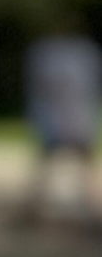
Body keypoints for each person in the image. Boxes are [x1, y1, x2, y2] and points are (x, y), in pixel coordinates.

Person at [21, 33, 101, 225]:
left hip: (69, 122)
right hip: (70, 122)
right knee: (72, 169)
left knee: (79, 170)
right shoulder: (82, 55)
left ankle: (31, 212)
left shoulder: (52, 56)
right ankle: (31, 212)